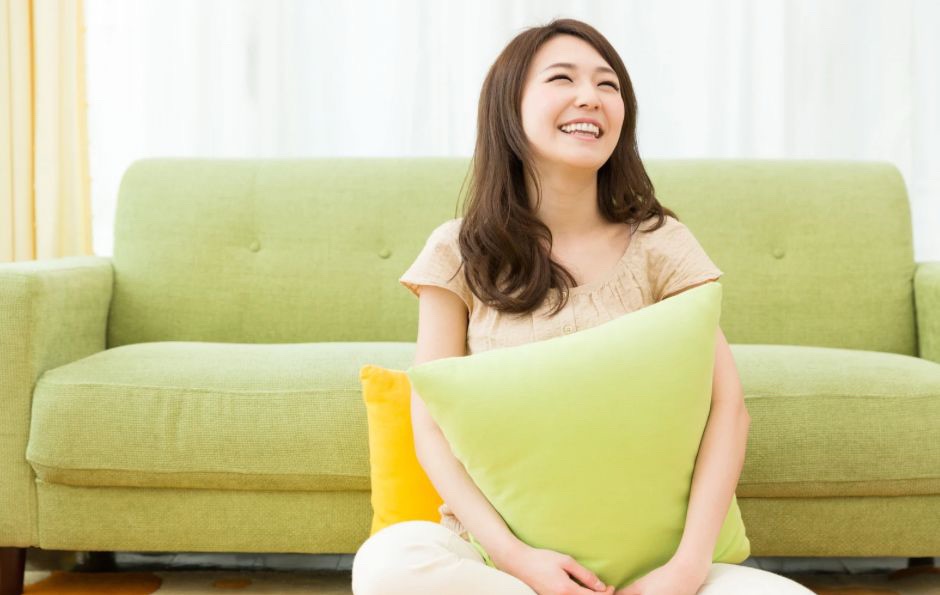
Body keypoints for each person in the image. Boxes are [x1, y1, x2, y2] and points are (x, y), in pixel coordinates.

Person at [352, 17, 816, 595]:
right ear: (508, 107)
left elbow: (728, 408)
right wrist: (518, 559)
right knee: (388, 563)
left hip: (661, 572)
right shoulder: (458, 250)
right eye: (562, 78)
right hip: (498, 567)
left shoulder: (661, 243)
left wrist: (685, 570)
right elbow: (429, 425)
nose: (590, 97)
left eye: (608, 84)